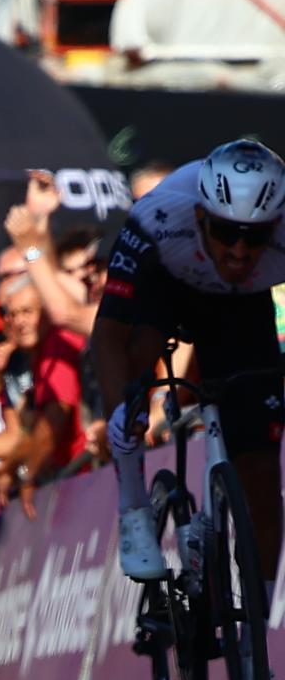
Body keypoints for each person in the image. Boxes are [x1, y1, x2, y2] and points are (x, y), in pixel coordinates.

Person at [95, 140, 285, 585]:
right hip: (167, 283)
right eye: (226, 232)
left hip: (239, 306)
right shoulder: (157, 217)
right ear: (201, 216)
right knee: (135, 364)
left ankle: (256, 630)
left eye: (255, 235)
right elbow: (107, 334)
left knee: (261, 470)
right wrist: (120, 411)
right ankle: (134, 507)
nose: (239, 250)